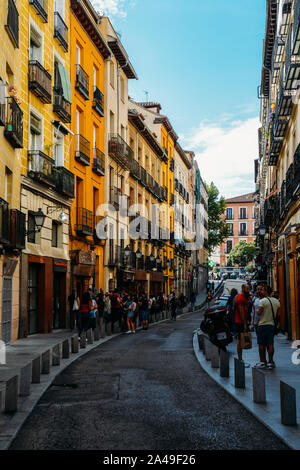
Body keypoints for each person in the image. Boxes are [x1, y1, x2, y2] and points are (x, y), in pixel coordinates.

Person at [255, 285, 280, 370]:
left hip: (262, 325)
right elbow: (278, 315)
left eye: (263, 290)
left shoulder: (262, 301)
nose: (261, 291)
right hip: (271, 325)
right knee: (270, 344)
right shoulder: (277, 301)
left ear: (266, 291)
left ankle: (262, 362)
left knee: (261, 344)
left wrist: (258, 310)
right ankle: (270, 362)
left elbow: (258, 313)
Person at [234, 284, 251, 367]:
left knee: (240, 340)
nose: (249, 291)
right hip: (240, 322)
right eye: (247, 289)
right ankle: (240, 359)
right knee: (240, 341)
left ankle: (240, 359)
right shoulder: (240, 298)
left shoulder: (243, 298)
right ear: (243, 289)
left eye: (249, 289)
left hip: (241, 322)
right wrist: (245, 324)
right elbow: (241, 312)